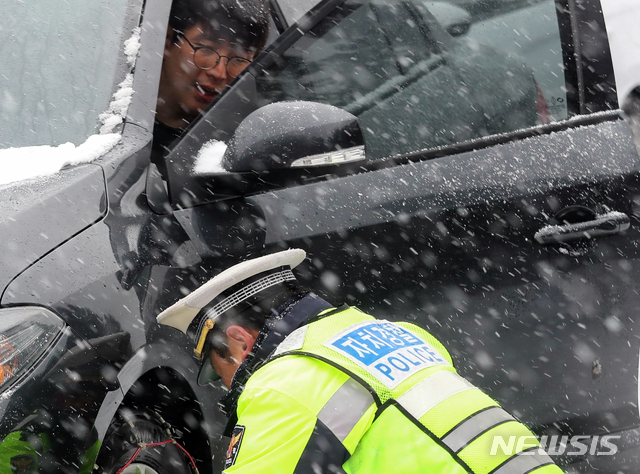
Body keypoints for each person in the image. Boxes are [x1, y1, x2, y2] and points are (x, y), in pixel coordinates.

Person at [157, 249, 563, 474]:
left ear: (239, 341)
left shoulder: (285, 381)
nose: (224, 384)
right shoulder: (396, 333)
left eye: (217, 369)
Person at [152, 0, 270, 167]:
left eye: (239, 58)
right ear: (167, 41)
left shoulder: (246, 146)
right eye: (206, 49)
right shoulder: (109, 118)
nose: (219, 73)